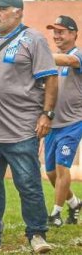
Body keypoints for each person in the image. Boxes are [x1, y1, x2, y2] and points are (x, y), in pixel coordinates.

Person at [0, 0, 58, 253]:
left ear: (18, 12)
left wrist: (47, 114)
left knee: (28, 183)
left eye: (2, 8)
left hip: (21, 129)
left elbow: (51, 78)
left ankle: (37, 234)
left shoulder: (33, 39)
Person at [45, 15, 82, 227]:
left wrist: (40, 56)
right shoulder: (54, 58)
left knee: (61, 168)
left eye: (61, 31)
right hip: (53, 123)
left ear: (73, 33)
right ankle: (74, 203)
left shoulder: (76, 55)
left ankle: (56, 214)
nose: (56, 35)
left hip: (73, 122)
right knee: (50, 173)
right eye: (54, 32)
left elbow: (69, 61)